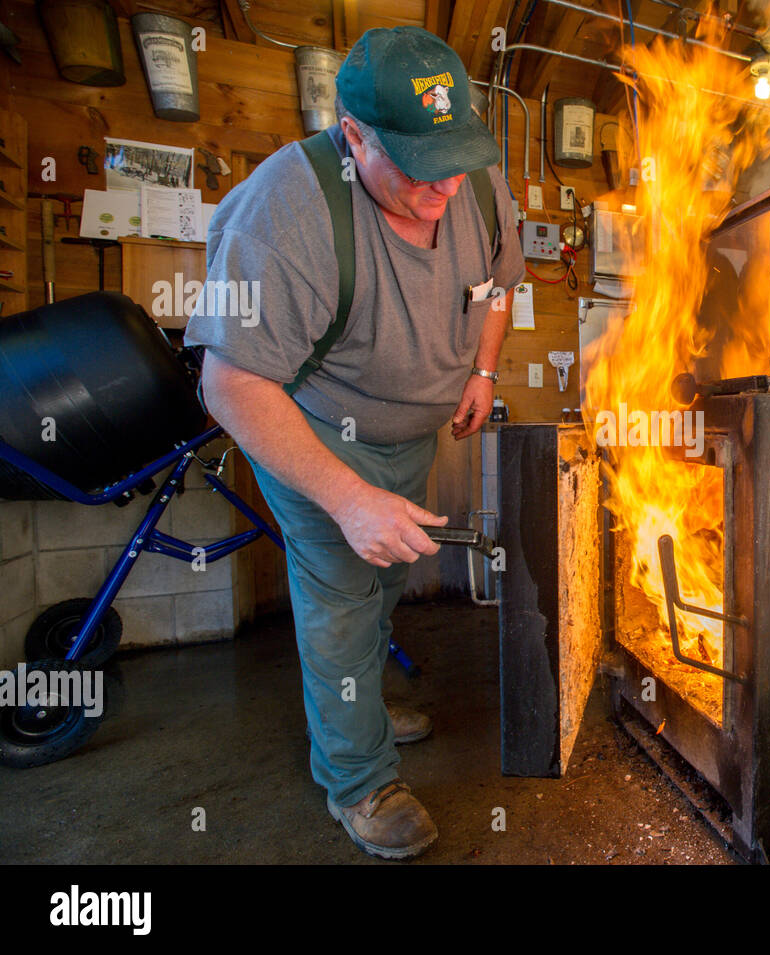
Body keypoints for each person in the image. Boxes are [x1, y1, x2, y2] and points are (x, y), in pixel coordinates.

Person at [184, 26, 525, 860]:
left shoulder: (472, 180)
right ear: (354, 134)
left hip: (411, 433)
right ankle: (359, 776)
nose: (445, 182)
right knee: (340, 596)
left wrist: (481, 371)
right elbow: (229, 383)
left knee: (385, 586)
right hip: (313, 438)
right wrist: (345, 494)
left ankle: (358, 703)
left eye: (454, 154)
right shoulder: (285, 209)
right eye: (416, 162)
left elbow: (501, 285)